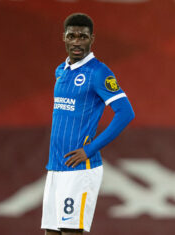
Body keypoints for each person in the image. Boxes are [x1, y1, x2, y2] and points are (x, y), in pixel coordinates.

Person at [41, 13, 135, 235]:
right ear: (63, 37)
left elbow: (125, 113)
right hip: (56, 167)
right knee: (52, 233)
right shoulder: (61, 71)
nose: (76, 41)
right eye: (71, 36)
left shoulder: (99, 72)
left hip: (80, 169)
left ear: (92, 38)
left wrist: (89, 149)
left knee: (71, 232)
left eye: (82, 37)